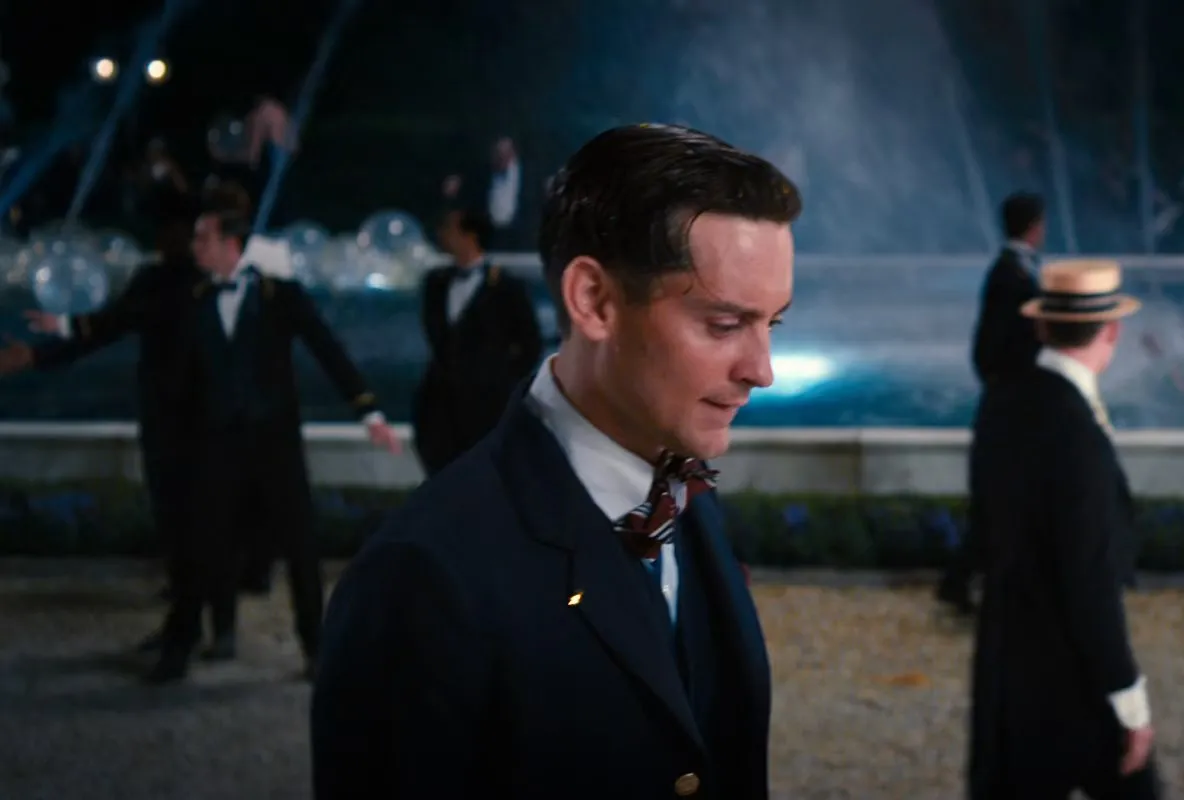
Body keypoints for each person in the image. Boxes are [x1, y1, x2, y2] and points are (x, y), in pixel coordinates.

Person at [312, 123, 800, 799]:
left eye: (771, 324)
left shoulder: (686, 495)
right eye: (724, 324)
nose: (762, 371)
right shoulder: (422, 579)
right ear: (594, 300)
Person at [142, 209, 398, 682]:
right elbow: (178, 378)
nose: (195, 247)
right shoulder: (191, 300)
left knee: (301, 548)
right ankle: (178, 646)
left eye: (204, 238)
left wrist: (368, 411)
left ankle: (316, 647)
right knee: (200, 543)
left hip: (273, 445)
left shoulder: (278, 296)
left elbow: (327, 348)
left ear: (230, 244)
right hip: (216, 445)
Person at [967, 260, 1159, 799]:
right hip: (1075, 678)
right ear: (1112, 331)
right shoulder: (1079, 434)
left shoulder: (1001, 402)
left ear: (1041, 325)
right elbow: (1090, 580)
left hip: (1006, 668)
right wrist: (1128, 696)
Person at [0, 209, 203, 623]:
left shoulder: (201, 282)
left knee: (198, 504)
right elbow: (115, 324)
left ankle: (202, 600)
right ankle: (187, 593)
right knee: (172, 502)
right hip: (166, 408)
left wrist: (52, 342)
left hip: (201, 411)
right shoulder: (159, 278)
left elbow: (119, 322)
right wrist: (43, 351)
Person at [939, 191, 1047, 615]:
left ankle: (967, 581)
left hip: (1007, 396)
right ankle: (971, 582)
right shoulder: (1011, 274)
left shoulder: (1011, 270)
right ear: (1034, 226)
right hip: (1009, 399)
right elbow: (994, 343)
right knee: (1002, 496)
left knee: (999, 497)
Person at [412, 207, 544, 474]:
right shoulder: (436, 283)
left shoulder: (505, 286)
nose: (442, 234)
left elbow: (530, 343)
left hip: (486, 405)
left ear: (470, 235)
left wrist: (499, 378)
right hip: (442, 403)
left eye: (450, 228)